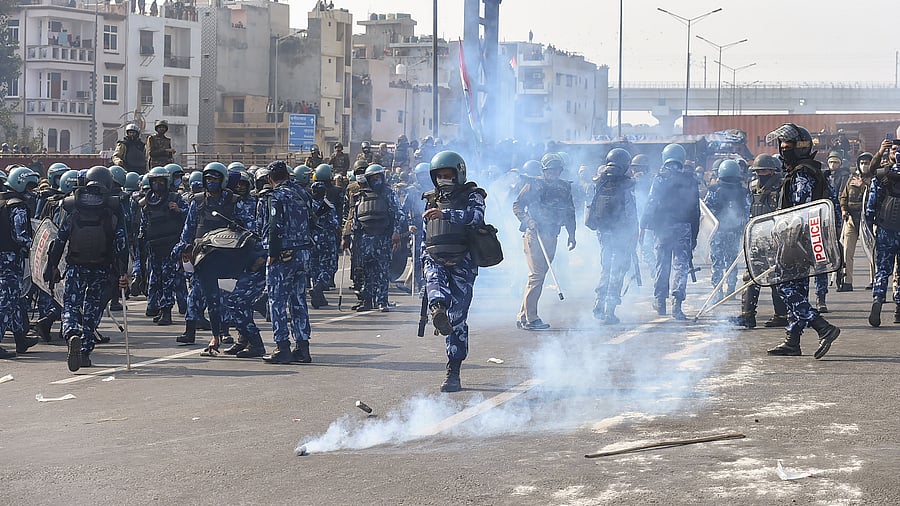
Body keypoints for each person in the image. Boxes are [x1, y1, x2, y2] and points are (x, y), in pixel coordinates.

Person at [764, 123, 840, 358]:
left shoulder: (802, 173)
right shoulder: (809, 170)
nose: (784, 149)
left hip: (796, 242)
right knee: (797, 289)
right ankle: (792, 341)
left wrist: (786, 241)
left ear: (800, 148)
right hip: (804, 242)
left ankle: (821, 326)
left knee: (785, 287)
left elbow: (799, 212)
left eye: (788, 146)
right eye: (782, 146)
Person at [44, 167, 128, 371]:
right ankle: (85, 352)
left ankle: (72, 333)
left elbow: (60, 239)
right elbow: (122, 243)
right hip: (101, 267)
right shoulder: (113, 207)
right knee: (91, 309)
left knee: (71, 306)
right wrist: (123, 271)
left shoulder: (73, 205)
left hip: (76, 265)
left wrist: (52, 266)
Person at [421, 151, 486, 392]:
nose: (443, 180)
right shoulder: (430, 199)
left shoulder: (473, 195)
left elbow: (476, 218)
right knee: (434, 282)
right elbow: (424, 234)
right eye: (439, 176)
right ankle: (437, 308)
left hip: (463, 261)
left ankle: (454, 369)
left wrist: (446, 214)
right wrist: (422, 260)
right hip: (435, 256)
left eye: (448, 175)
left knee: (457, 319)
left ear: (458, 174)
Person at [174, 162, 254, 354]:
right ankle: (215, 337)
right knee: (211, 301)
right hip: (205, 259)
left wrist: (239, 227)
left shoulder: (235, 202)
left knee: (234, 301)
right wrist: (182, 249)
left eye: (215, 179)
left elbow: (251, 229)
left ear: (223, 180)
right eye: (208, 179)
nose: (211, 183)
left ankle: (245, 337)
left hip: (230, 259)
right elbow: (188, 231)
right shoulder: (198, 201)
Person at [512, 152, 576, 329]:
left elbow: (570, 212)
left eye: (557, 170)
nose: (554, 174)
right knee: (537, 275)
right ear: (544, 171)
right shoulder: (533, 185)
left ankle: (523, 315)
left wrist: (572, 234)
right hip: (535, 235)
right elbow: (517, 206)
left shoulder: (564, 188)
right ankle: (532, 318)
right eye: (550, 170)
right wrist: (527, 220)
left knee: (537, 277)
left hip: (552, 235)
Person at [260, 160, 314, 364]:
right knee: (299, 300)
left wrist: (273, 252)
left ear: (270, 178)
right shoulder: (301, 193)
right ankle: (303, 347)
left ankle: (282, 347)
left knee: (277, 301)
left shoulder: (275, 196)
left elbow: (274, 226)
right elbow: (314, 218)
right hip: (303, 253)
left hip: (282, 255)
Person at [640, 143, 699, 320]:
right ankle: (677, 304)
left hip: (662, 228)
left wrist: (643, 227)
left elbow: (650, 203)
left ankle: (660, 302)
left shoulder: (659, 179)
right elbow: (696, 210)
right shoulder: (691, 180)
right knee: (681, 266)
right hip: (683, 228)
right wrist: (694, 235)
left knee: (662, 264)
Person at [732, 154, 789, 329]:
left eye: (764, 170)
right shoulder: (753, 187)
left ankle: (781, 315)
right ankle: (747, 315)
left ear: (773, 170)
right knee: (750, 276)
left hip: (775, 239)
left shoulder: (782, 186)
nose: (761, 174)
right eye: (758, 171)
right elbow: (750, 211)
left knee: (775, 278)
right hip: (757, 237)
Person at [585, 148, 638, 324]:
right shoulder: (627, 185)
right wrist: (633, 238)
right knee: (618, 270)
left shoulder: (598, 181)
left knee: (606, 268)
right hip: (621, 233)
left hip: (603, 233)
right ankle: (609, 311)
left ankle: (599, 303)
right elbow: (631, 213)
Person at [341, 164, 403, 312]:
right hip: (365, 239)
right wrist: (352, 239)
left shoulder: (389, 194)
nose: (376, 181)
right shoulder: (360, 195)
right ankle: (367, 300)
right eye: (373, 178)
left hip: (383, 237)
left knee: (382, 271)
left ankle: (382, 301)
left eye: (378, 177)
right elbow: (356, 218)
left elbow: (399, 214)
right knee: (366, 271)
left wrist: (396, 232)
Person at [138, 166, 187, 326]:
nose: (158, 184)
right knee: (156, 279)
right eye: (155, 181)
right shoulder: (147, 200)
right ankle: (158, 307)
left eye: (161, 181)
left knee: (168, 279)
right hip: (154, 246)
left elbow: (190, 216)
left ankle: (167, 311)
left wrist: (179, 210)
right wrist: (142, 240)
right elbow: (144, 223)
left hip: (170, 245)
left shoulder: (175, 198)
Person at [0, 167, 40, 359]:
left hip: (3, 257)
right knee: (6, 302)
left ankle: (20, 338)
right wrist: (38, 246)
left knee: (15, 300)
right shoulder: (18, 206)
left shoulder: (2, 201)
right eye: (29, 187)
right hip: (10, 259)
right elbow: (20, 235)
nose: (31, 192)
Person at [703, 159, 751, 300]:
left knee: (717, 263)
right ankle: (731, 289)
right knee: (731, 261)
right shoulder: (743, 192)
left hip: (718, 232)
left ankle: (717, 291)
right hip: (734, 232)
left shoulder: (713, 190)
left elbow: (706, 211)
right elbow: (747, 211)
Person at [864, 160, 900, 327]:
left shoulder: (881, 175)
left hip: (886, 228)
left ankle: (878, 298)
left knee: (883, 269)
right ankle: (899, 307)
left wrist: (870, 225)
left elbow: (871, 203)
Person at [837, 152, 874, 292]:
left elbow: (875, 194)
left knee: (872, 250)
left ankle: (874, 280)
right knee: (847, 250)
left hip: (868, 220)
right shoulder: (851, 179)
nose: (864, 165)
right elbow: (843, 196)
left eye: (867, 162)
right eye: (862, 162)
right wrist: (844, 209)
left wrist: (864, 184)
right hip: (851, 219)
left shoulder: (875, 178)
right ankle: (847, 281)